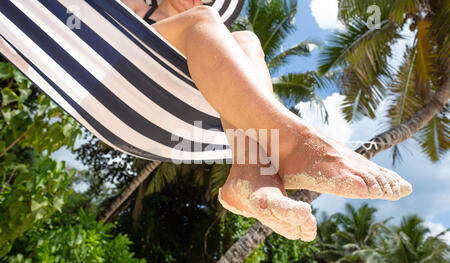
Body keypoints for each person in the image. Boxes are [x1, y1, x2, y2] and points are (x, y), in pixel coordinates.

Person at [120, 0, 412, 241]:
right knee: (204, 22)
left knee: (246, 39)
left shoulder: (203, 34)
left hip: (178, 107)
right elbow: (101, 24)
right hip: (120, 81)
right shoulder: (153, 9)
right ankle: (294, 143)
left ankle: (251, 171)